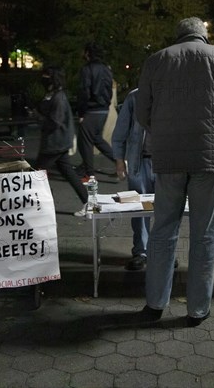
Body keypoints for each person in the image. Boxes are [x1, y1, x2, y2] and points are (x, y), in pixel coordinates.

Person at [136, 17, 214, 325]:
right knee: (205, 234)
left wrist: (162, 131)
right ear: (204, 35)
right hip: (209, 159)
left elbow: (141, 112)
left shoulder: (157, 60)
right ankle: (197, 310)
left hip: (168, 158)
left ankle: (155, 303)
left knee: (162, 230)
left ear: (179, 35)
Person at [35, 67, 89, 215]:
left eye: (46, 76)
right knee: (69, 173)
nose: (43, 79)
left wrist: (41, 121)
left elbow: (55, 121)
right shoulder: (54, 94)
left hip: (55, 143)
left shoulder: (58, 97)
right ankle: (88, 202)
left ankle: (36, 205)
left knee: (36, 174)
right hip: (59, 142)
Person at [112, 88, 153, 270]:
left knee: (167, 211)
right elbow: (120, 131)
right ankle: (141, 251)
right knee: (139, 209)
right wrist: (120, 162)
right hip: (139, 162)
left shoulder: (173, 93)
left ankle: (162, 250)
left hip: (168, 163)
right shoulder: (135, 97)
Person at [75, 42, 116, 186]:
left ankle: (89, 174)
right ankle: (120, 162)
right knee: (97, 139)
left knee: (85, 142)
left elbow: (84, 92)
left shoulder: (87, 69)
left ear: (87, 53)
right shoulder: (106, 69)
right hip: (104, 109)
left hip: (91, 110)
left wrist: (81, 112)